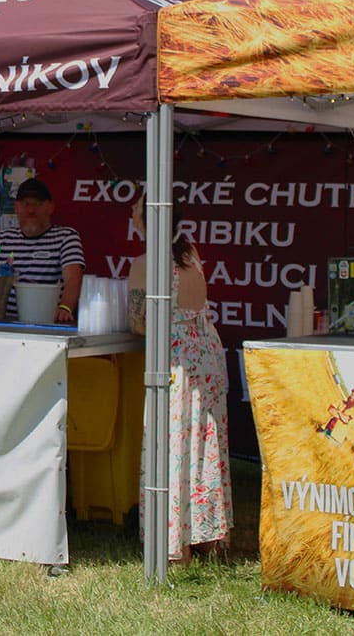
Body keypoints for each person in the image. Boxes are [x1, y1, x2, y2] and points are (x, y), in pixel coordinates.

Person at [127, 196, 232, 563]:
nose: (131, 213)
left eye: (136, 208)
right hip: (207, 353)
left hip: (177, 360)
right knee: (204, 445)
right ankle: (208, 536)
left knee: (171, 447)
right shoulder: (190, 252)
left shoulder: (145, 264)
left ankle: (177, 544)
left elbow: (138, 323)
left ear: (147, 218)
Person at [0, 178, 84, 324]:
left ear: (51, 207)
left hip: (47, 323)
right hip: (4, 323)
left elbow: (73, 278)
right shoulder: (3, 238)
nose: (31, 210)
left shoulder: (66, 237)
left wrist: (65, 308)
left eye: (38, 204)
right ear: (16, 207)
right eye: (26, 204)